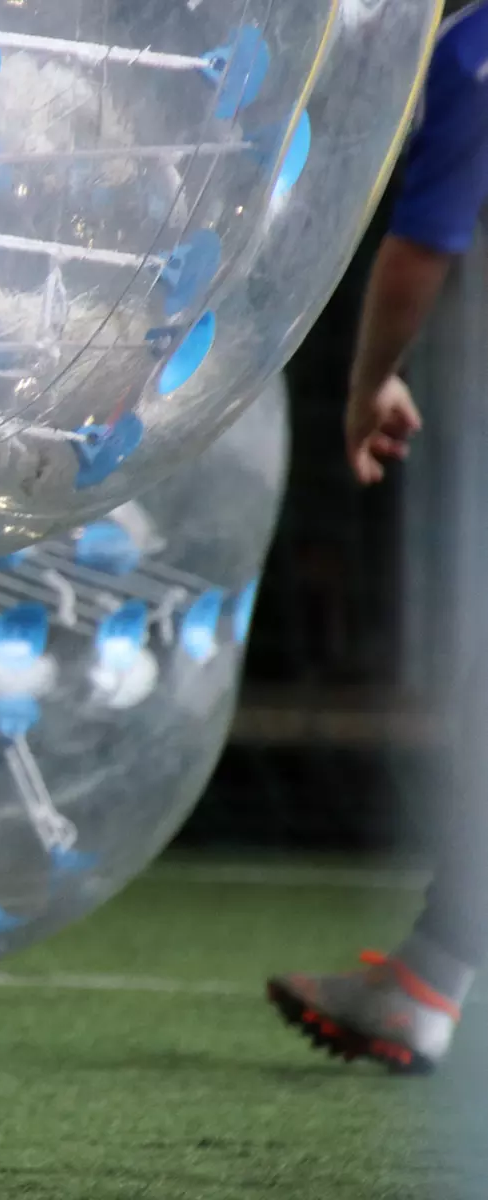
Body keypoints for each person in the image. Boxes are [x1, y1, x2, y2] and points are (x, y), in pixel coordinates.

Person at [267, 0, 488, 1074]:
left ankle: (429, 979)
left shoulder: (477, 48)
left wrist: (367, 383)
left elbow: (424, 245)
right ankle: (429, 978)